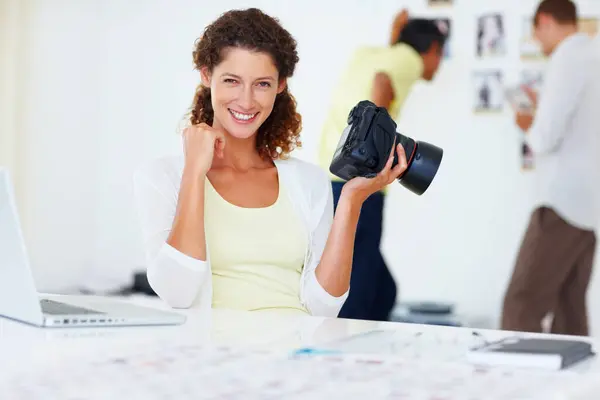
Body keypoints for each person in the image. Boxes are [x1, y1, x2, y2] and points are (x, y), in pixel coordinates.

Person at [132, 8, 409, 317]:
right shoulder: (162, 177)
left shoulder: (308, 182)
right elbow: (178, 292)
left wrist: (351, 199)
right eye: (232, 80)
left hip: (295, 355)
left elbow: (325, 307)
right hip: (211, 357)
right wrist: (195, 172)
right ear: (207, 75)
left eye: (262, 83)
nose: (247, 100)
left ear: (280, 85)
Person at [317, 11, 446, 321]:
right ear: (432, 50)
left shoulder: (370, 53)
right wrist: (374, 151)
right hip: (359, 181)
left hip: (328, 175)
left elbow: (381, 70)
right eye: (441, 55)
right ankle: (345, 352)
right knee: (359, 287)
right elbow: (382, 82)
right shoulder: (410, 59)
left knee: (382, 289)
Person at [501, 0, 600, 335]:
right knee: (570, 311)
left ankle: (512, 384)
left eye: (536, 34)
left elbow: (544, 139)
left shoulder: (566, 59)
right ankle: (580, 387)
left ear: (544, 21)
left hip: (560, 205)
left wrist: (528, 121)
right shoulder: (592, 57)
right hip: (588, 209)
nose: (538, 43)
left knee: (521, 302)